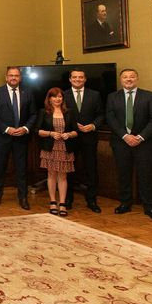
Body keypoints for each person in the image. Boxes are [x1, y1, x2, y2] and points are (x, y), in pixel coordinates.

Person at [106, 68, 152, 220]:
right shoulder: (112, 97)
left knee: (146, 174)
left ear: (137, 78)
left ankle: (149, 206)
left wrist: (140, 137)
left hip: (144, 143)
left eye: (132, 77)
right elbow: (110, 118)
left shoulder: (149, 96)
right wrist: (125, 136)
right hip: (121, 142)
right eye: (125, 77)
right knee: (123, 174)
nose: (129, 79)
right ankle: (125, 203)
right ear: (121, 80)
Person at [0, 66, 37, 210]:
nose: (13, 78)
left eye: (16, 75)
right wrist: (6, 129)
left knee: (21, 169)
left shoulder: (28, 93)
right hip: (2, 137)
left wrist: (25, 128)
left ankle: (23, 197)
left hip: (21, 137)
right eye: (11, 75)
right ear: (6, 77)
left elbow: (34, 114)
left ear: (20, 78)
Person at [63, 69, 105, 213]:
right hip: (69, 138)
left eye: (80, 77)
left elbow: (101, 115)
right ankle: (67, 199)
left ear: (85, 79)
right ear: (70, 79)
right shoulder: (63, 95)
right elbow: (58, 115)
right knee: (68, 169)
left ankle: (91, 200)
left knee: (91, 170)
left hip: (89, 137)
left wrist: (93, 125)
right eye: (74, 77)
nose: (78, 79)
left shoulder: (95, 95)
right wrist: (72, 126)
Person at [36, 88, 79, 217]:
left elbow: (76, 131)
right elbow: (37, 130)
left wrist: (69, 134)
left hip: (65, 148)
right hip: (50, 148)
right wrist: (51, 133)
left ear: (63, 99)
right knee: (51, 175)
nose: (57, 99)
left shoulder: (69, 112)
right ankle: (53, 202)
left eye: (60, 97)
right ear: (49, 99)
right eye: (54, 97)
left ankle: (62, 203)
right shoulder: (44, 112)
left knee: (63, 176)